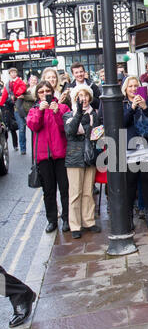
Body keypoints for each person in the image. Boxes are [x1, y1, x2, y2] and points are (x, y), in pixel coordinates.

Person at [27, 80, 70, 233]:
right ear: (37, 94)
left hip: (60, 155)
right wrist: (40, 111)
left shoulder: (63, 107)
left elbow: (66, 128)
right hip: (44, 157)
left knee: (65, 189)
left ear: (52, 92)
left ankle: (67, 219)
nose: (45, 94)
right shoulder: (34, 109)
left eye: (48, 91)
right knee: (49, 191)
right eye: (41, 91)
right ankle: (52, 220)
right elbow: (34, 126)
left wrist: (57, 112)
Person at [63, 84, 101, 239]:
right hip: (74, 158)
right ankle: (75, 225)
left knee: (88, 192)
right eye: (80, 96)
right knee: (75, 193)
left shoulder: (95, 114)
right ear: (75, 98)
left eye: (86, 95)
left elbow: (96, 133)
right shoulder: (69, 114)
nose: (83, 99)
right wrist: (78, 113)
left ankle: (89, 221)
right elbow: (70, 132)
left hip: (89, 156)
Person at [122, 76, 148, 229]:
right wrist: (132, 108)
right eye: (130, 86)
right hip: (130, 147)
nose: (133, 88)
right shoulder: (122, 103)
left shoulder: (147, 100)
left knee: (147, 181)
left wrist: (145, 107)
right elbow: (122, 123)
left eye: (136, 85)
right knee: (130, 184)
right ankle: (129, 216)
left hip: (147, 146)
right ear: (125, 88)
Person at [0, 68, 27, 154]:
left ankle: (24, 147)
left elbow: (23, 88)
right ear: (9, 74)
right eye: (12, 72)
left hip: (22, 106)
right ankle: (20, 147)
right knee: (19, 127)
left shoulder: (20, 81)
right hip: (14, 108)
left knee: (24, 127)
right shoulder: (8, 84)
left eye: (15, 72)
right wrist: (0, 103)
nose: (13, 74)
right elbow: (4, 95)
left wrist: (16, 95)